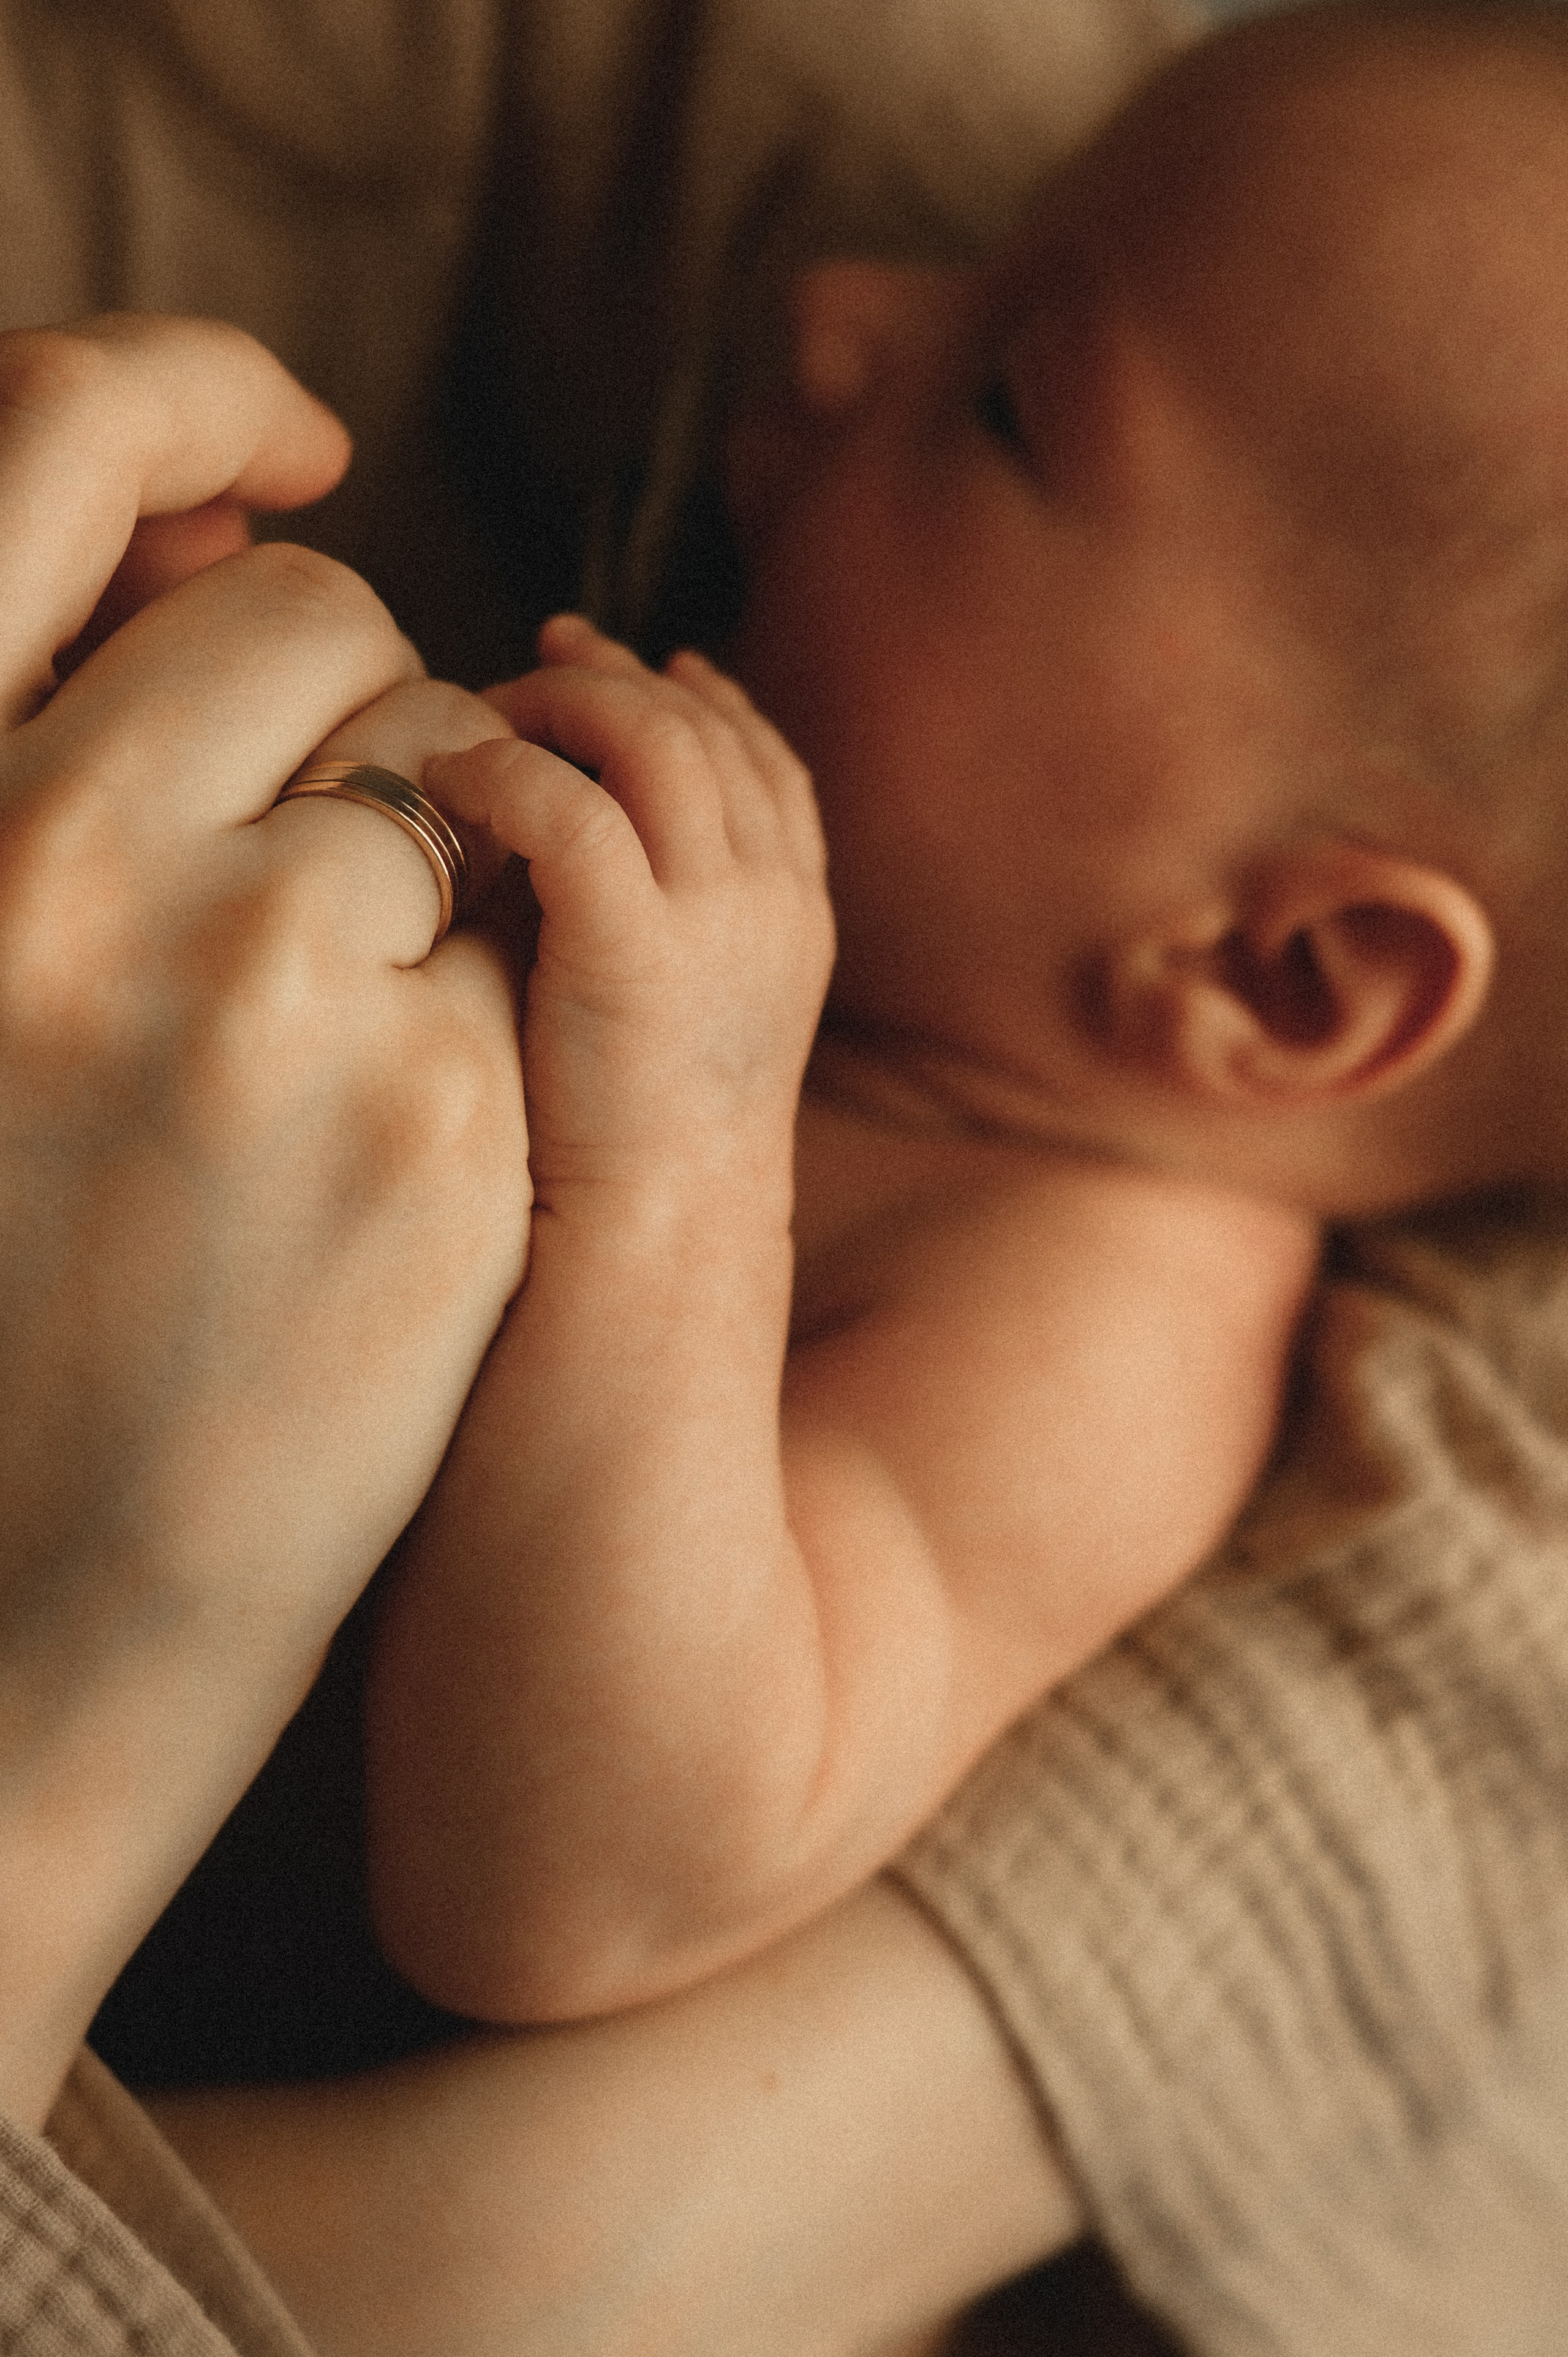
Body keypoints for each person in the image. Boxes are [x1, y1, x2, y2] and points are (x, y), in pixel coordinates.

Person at [4, 6, 1568, 2357]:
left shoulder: (1108, 1312)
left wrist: (690, 1181)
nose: (843, 309)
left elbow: (577, 1880)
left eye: (1012, 402)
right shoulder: (799, 851)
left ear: (1281, 973)